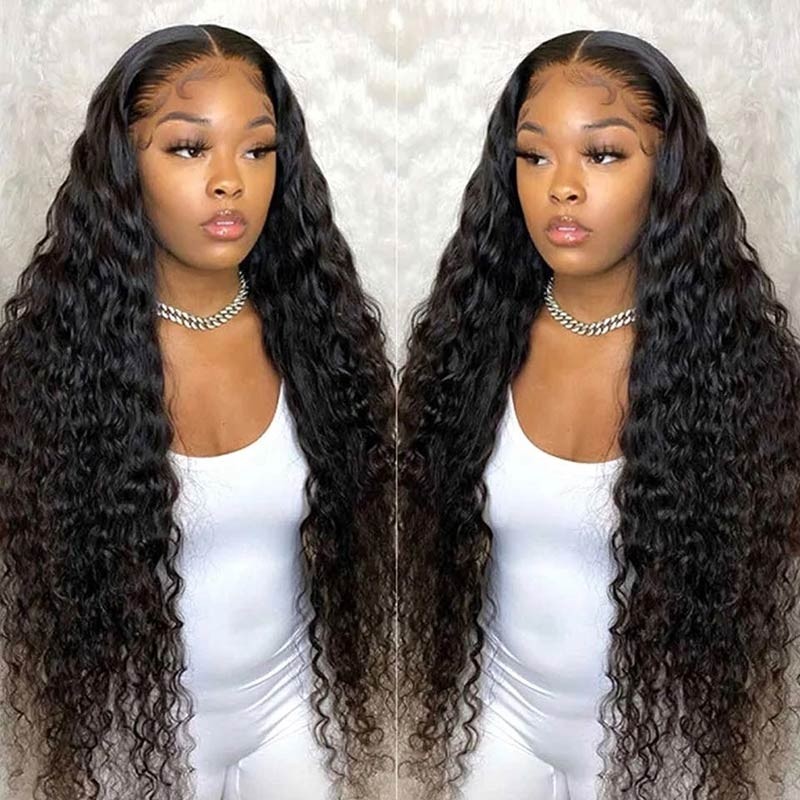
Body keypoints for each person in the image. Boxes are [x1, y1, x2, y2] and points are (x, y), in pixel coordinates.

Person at [398, 29, 800, 800]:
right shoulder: (469, 346)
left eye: (604, 154)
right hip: (500, 730)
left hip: (655, 742)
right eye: (534, 155)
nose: (562, 187)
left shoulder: (732, 373)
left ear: (668, 172)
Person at [0, 23, 394, 800]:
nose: (229, 181)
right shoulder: (59, 365)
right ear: (124, 166)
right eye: (188, 148)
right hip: (135, 738)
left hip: (290, 726)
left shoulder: (324, 340)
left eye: (257, 149)